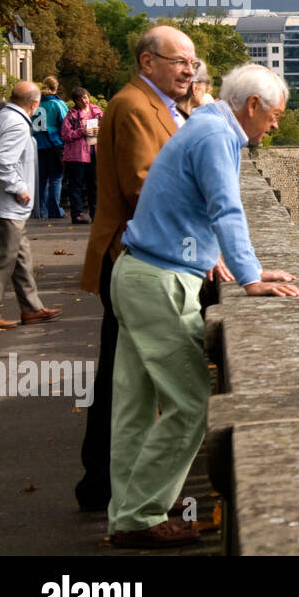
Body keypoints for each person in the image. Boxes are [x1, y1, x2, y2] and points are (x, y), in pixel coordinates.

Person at [107, 64, 299, 548]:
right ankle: (142, 515)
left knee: (135, 407)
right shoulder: (217, 135)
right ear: (252, 106)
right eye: (274, 115)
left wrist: (216, 255)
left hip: (137, 271)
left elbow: (185, 203)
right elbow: (225, 207)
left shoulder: (205, 124)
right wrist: (251, 276)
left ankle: (130, 510)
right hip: (160, 282)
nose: (275, 126)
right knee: (192, 403)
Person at [74, 25, 200, 512]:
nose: (189, 69)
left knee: (124, 378)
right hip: (133, 255)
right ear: (148, 62)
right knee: (125, 380)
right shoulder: (133, 107)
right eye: (178, 61)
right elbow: (146, 186)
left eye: (192, 62)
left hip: (141, 254)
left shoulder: (158, 105)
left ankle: (103, 481)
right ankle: (107, 483)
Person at [0, 82, 63, 328]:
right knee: (2, 259)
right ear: (34, 103)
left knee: (20, 257)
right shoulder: (17, 123)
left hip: (4, 205)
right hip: (6, 205)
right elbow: (1, 160)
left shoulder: (4, 117)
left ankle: (31, 307)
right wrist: (18, 188)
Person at [61, 87, 103, 224]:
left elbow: (107, 127)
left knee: (94, 185)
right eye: (80, 99)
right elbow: (65, 135)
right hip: (76, 155)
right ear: (76, 101)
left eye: (85, 97)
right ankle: (77, 214)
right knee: (76, 185)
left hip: (94, 153)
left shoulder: (97, 111)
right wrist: (81, 132)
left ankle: (96, 213)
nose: (84, 101)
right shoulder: (72, 114)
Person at [31, 75, 69, 219]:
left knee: (41, 180)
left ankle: (41, 210)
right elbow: (66, 124)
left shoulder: (36, 104)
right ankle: (55, 210)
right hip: (54, 144)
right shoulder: (57, 104)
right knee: (55, 178)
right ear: (56, 88)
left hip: (37, 144)